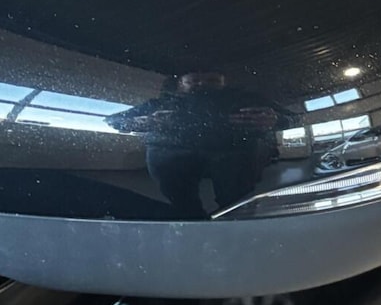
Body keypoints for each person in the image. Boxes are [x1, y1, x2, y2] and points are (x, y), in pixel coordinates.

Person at [108, 70, 292, 218]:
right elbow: (114, 120)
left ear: (224, 82)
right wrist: (144, 121)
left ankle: (233, 225)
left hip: (232, 153)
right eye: (194, 80)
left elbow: (293, 118)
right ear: (181, 84)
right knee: (182, 203)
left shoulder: (244, 99)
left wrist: (275, 119)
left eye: (212, 80)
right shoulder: (160, 103)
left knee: (236, 203)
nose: (202, 84)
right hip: (169, 155)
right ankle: (193, 221)